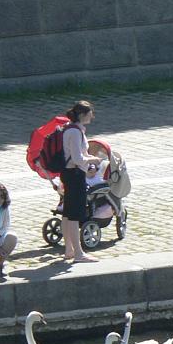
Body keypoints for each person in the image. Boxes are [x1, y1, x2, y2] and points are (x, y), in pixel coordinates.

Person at [60, 100, 102, 264]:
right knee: (74, 214)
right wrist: (94, 159)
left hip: (69, 173)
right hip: (75, 174)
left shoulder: (70, 129)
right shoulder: (75, 132)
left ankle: (69, 249)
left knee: (67, 213)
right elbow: (77, 158)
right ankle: (78, 253)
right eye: (91, 112)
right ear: (83, 115)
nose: (92, 115)